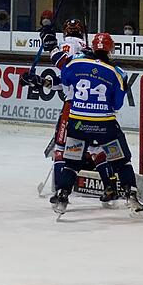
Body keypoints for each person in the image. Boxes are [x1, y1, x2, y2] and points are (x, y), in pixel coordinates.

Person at [52, 32, 143, 218]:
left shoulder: (75, 62)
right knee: (121, 162)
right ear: (110, 49)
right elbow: (117, 104)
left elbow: (65, 80)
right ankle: (131, 196)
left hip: (78, 123)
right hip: (105, 126)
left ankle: (62, 196)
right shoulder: (118, 72)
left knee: (71, 162)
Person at [31, 19, 120, 206]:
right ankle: (110, 186)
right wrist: (40, 80)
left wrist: (50, 45)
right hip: (95, 109)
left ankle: (60, 190)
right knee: (96, 147)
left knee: (63, 148)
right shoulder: (89, 50)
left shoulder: (67, 45)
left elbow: (62, 68)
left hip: (73, 108)